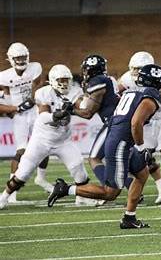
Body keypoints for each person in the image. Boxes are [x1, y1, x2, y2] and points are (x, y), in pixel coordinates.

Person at [48, 64, 161, 229]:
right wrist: (141, 148)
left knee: (142, 174)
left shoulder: (131, 91)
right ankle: (65, 189)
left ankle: (129, 218)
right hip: (121, 143)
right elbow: (135, 123)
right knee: (110, 192)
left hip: (119, 138)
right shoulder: (151, 95)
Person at [0, 65, 94, 209]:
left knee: (78, 167)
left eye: (67, 80)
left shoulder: (75, 91)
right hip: (42, 139)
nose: (64, 83)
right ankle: (4, 197)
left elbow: (82, 107)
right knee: (23, 173)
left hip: (63, 140)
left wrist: (83, 102)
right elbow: (44, 116)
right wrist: (56, 115)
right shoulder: (43, 93)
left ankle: (82, 197)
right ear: (52, 80)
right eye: (61, 80)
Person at [119, 51, 161, 204]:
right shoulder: (127, 78)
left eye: (140, 69)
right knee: (144, 153)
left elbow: (149, 107)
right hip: (151, 118)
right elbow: (118, 89)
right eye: (134, 68)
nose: (136, 73)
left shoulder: (160, 84)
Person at [72, 55, 133, 199]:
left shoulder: (98, 82)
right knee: (124, 161)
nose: (84, 73)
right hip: (119, 121)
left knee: (94, 158)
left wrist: (71, 110)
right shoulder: (109, 79)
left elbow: (87, 113)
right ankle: (130, 189)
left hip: (114, 122)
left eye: (86, 70)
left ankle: (108, 190)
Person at [0, 42, 51, 200]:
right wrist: (15, 109)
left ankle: (41, 178)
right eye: (18, 58)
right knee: (21, 151)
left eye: (23, 57)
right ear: (10, 58)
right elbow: (3, 101)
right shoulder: (4, 76)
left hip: (35, 111)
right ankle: (12, 188)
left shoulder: (35, 67)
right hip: (20, 115)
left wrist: (31, 99)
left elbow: (38, 85)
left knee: (45, 144)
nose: (21, 60)